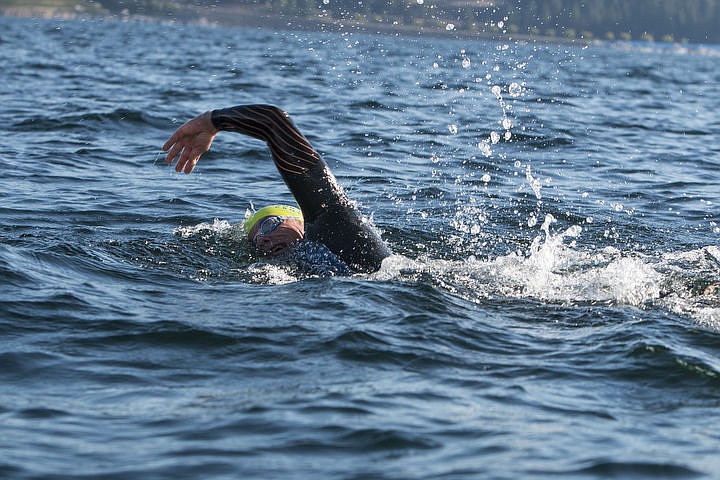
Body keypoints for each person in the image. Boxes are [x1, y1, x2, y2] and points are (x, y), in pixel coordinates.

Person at [162, 104, 390, 274]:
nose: (262, 240)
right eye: (255, 239)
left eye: (269, 224)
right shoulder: (298, 271)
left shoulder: (333, 220)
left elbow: (273, 121)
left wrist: (210, 122)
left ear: (299, 222)